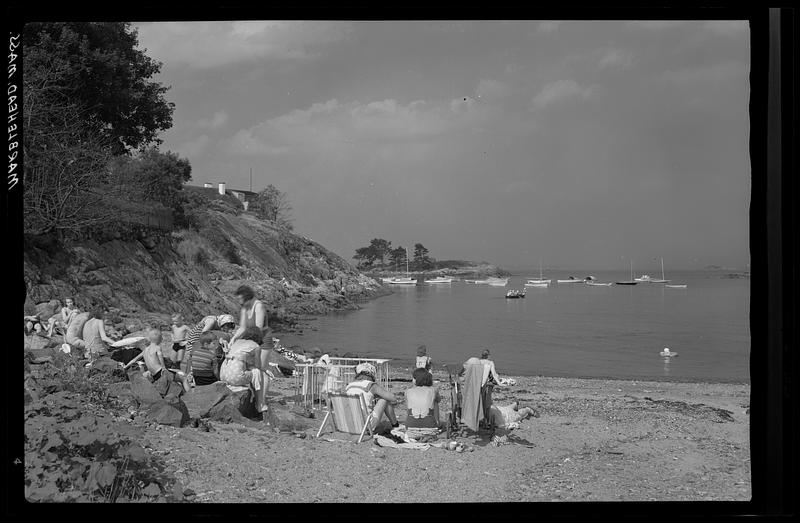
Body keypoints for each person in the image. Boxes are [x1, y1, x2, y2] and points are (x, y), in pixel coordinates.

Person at [219, 326, 273, 415]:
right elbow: (258, 365)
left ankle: (257, 401)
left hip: (223, 373)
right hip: (235, 377)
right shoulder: (256, 346)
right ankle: (261, 404)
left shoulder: (237, 342)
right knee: (261, 374)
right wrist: (266, 370)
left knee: (253, 371)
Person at [345, 363, 399, 430]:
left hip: (348, 423)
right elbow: (392, 398)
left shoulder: (349, 386)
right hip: (366, 425)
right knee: (384, 400)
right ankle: (395, 425)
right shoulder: (370, 385)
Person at [142, 328, 192, 393]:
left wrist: (126, 366)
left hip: (154, 375)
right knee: (183, 378)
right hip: (160, 371)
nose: (162, 339)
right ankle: (190, 394)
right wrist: (163, 368)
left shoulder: (145, 350)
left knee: (174, 377)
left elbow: (134, 360)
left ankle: (180, 392)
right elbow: (160, 356)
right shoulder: (157, 347)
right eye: (161, 338)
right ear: (159, 339)